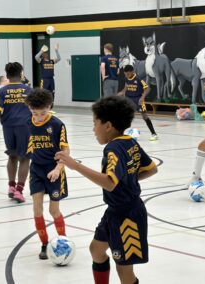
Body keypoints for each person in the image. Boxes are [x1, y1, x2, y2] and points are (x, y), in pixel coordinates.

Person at [56, 96, 158, 284]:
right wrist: (127, 180)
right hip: (115, 211)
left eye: (95, 123)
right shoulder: (129, 141)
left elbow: (110, 182)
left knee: (124, 269)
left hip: (128, 216)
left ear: (108, 126)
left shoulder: (112, 149)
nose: (93, 129)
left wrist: (75, 165)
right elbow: (151, 168)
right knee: (96, 250)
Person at [25, 88, 69, 260]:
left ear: (49, 106)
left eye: (43, 113)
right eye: (35, 113)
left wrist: (58, 169)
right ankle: (44, 244)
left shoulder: (57, 124)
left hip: (54, 170)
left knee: (54, 210)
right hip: (36, 170)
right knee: (37, 209)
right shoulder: (29, 123)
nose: (39, 117)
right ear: (30, 109)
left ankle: (62, 241)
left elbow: (65, 148)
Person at [0, 62, 31, 203]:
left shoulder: (2, 91)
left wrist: (3, 121)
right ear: (21, 74)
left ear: (7, 75)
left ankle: (11, 187)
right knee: (25, 158)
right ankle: (19, 191)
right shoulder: (28, 90)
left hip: (8, 126)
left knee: (12, 156)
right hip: (24, 127)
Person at [118, 65, 158, 141]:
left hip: (138, 100)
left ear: (132, 72)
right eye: (125, 74)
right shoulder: (126, 78)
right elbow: (126, 87)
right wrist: (122, 92)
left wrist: (142, 98)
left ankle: (154, 134)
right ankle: (121, 134)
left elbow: (147, 88)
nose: (127, 75)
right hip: (129, 100)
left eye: (128, 74)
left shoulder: (139, 79)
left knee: (145, 116)